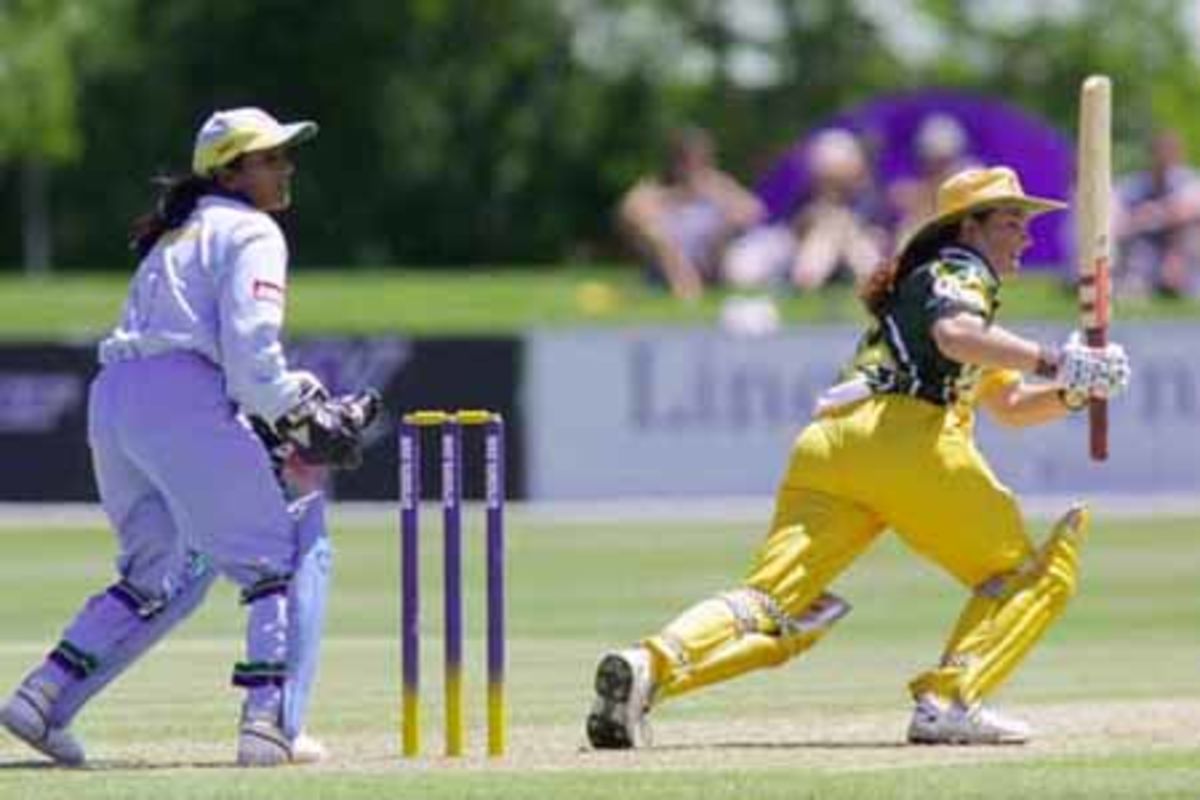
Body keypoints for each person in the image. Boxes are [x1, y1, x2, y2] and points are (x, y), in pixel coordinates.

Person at [585, 166, 1132, 749]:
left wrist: (1075, 389)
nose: (1025, 237)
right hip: (906, 440)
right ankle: (950, 701)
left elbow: (1014, 406)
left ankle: (649, 665)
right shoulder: (958, 272)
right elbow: (956, 337)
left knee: (773, 603)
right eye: (1010, 222)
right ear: (967, 227)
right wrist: (1058, 361)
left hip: (832, 445)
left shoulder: (929, 290)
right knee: (1026, 575)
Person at [0, 107, 379, 767]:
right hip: (181, 396)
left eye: (286, 155)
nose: (286, 167)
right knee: (281, 555)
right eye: (270, 157)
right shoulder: (253, 230)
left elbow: (217, 361)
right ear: (231, 170)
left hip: (115, 400)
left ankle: (43, 696)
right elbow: (250, 353)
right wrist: (300, 409)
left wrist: (279, 406)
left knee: (158, 572)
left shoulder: (177, 233)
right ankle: (269, 724)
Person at [618, 127, 765, 301]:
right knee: (656, 234)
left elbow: (755, 212)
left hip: (711, 260)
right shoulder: (654, 190)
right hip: (668, 267)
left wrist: (716, 197)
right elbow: (629, 210)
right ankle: (686, 285)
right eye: (686, 160)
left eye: (701, 160)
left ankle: (704, 282)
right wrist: (676, 197)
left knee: (731, 225)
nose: (693, 167)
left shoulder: (717, 185)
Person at [786, 128, 889, 291]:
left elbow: (879, 229)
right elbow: (796, 227)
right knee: (829, 232)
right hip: (819, 249)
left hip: (856, 249)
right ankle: (808, 282)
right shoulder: (807, 194)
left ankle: (873, 284)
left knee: (844, 230)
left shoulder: (868, 194)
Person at [1113, 129, 1200, 297]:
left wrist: (1153, 215)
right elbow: (1120, 222)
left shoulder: (1190, 180)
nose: (1165, 158)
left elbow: (1187, 210)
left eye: (1170, 152)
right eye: (1160, 152)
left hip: (1182, 253)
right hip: (1146, 251)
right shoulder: (1136, 185)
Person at [888, 113, 979, 246]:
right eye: (932, 161)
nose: (938, 170)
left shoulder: (971, 183)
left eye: (944, 161)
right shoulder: (911, 195)